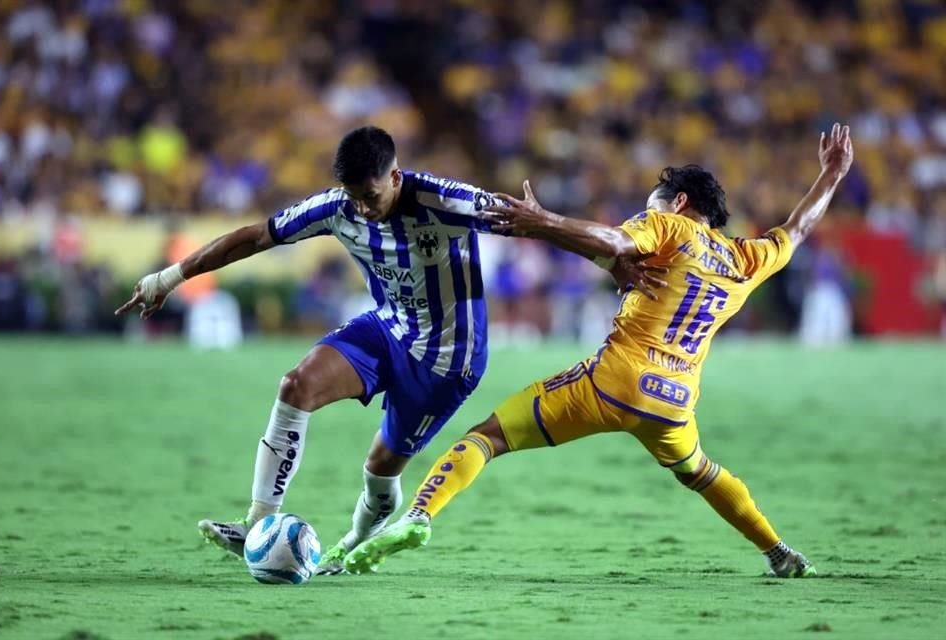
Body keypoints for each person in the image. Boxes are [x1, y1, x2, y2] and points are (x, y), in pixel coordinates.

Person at [113, 124, 666, 574]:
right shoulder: (337, 208)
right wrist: (167, 278)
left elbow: (536, 224)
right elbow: (255, 236)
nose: (364, 209)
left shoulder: (447, 201)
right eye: (355, 197)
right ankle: (259, 522)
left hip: (447, 361)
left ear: (395, 176)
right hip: (386, 330)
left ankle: (353, 543)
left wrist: (609, 259)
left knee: (380, 470)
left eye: (372, 196)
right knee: (295, 385)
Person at [344, 124, 855, 578]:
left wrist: (541, 220)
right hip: (674, 400)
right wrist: (831, 174)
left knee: (488, 438)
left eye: (652, 204)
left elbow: (613, 241)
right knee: (699, 471)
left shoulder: (670, 226)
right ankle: (778, 550)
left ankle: (418, 517)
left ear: (678, 203)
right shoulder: (747, 258)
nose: (645, 215)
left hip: (615, 380)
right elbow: (798, 228)